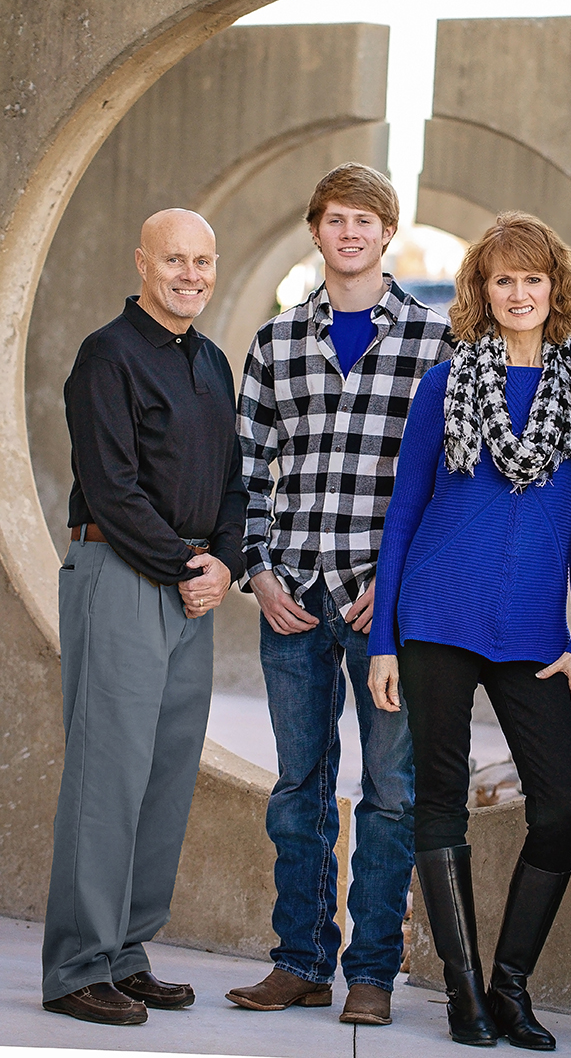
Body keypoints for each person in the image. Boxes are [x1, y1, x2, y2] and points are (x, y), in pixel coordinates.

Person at [368, 211, 571, 1049]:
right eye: (502, 279)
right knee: (439, 802)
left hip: (537, 633)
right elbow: (404, 516)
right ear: (481, 290)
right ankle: (464, 991)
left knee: (561, 810)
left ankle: (512, 984)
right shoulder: (445, 385)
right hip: (437, 614)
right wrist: (381, 640)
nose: (518, 293)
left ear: (555, 289)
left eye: (532, 279)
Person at [227, 164, 453, 1027]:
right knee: (299, 787)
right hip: (294, 599)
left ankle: (372, 973)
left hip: (381, 607)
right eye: (334, 220)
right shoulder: (277, 342)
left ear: (387, 231)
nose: (349, 233)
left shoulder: (436, 342)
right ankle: (299, 961)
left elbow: (448, 482)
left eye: (365, 220)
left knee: (391, 791)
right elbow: (247, 472)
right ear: (315, 231)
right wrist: (259, 569)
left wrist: (400, 589)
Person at [41, 209, 246, 1026]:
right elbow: (113, 485)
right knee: (107, 777)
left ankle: (125, 954)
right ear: (142, 263)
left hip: (190, 583)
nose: (189, 274)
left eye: (203, 261)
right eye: (174, 260)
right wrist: (186, 566)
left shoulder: (213, 362)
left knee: (163, 777)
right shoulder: (107, 356)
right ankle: (75, 969)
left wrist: (222, 562)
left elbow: (233, 480)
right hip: (122, 574)